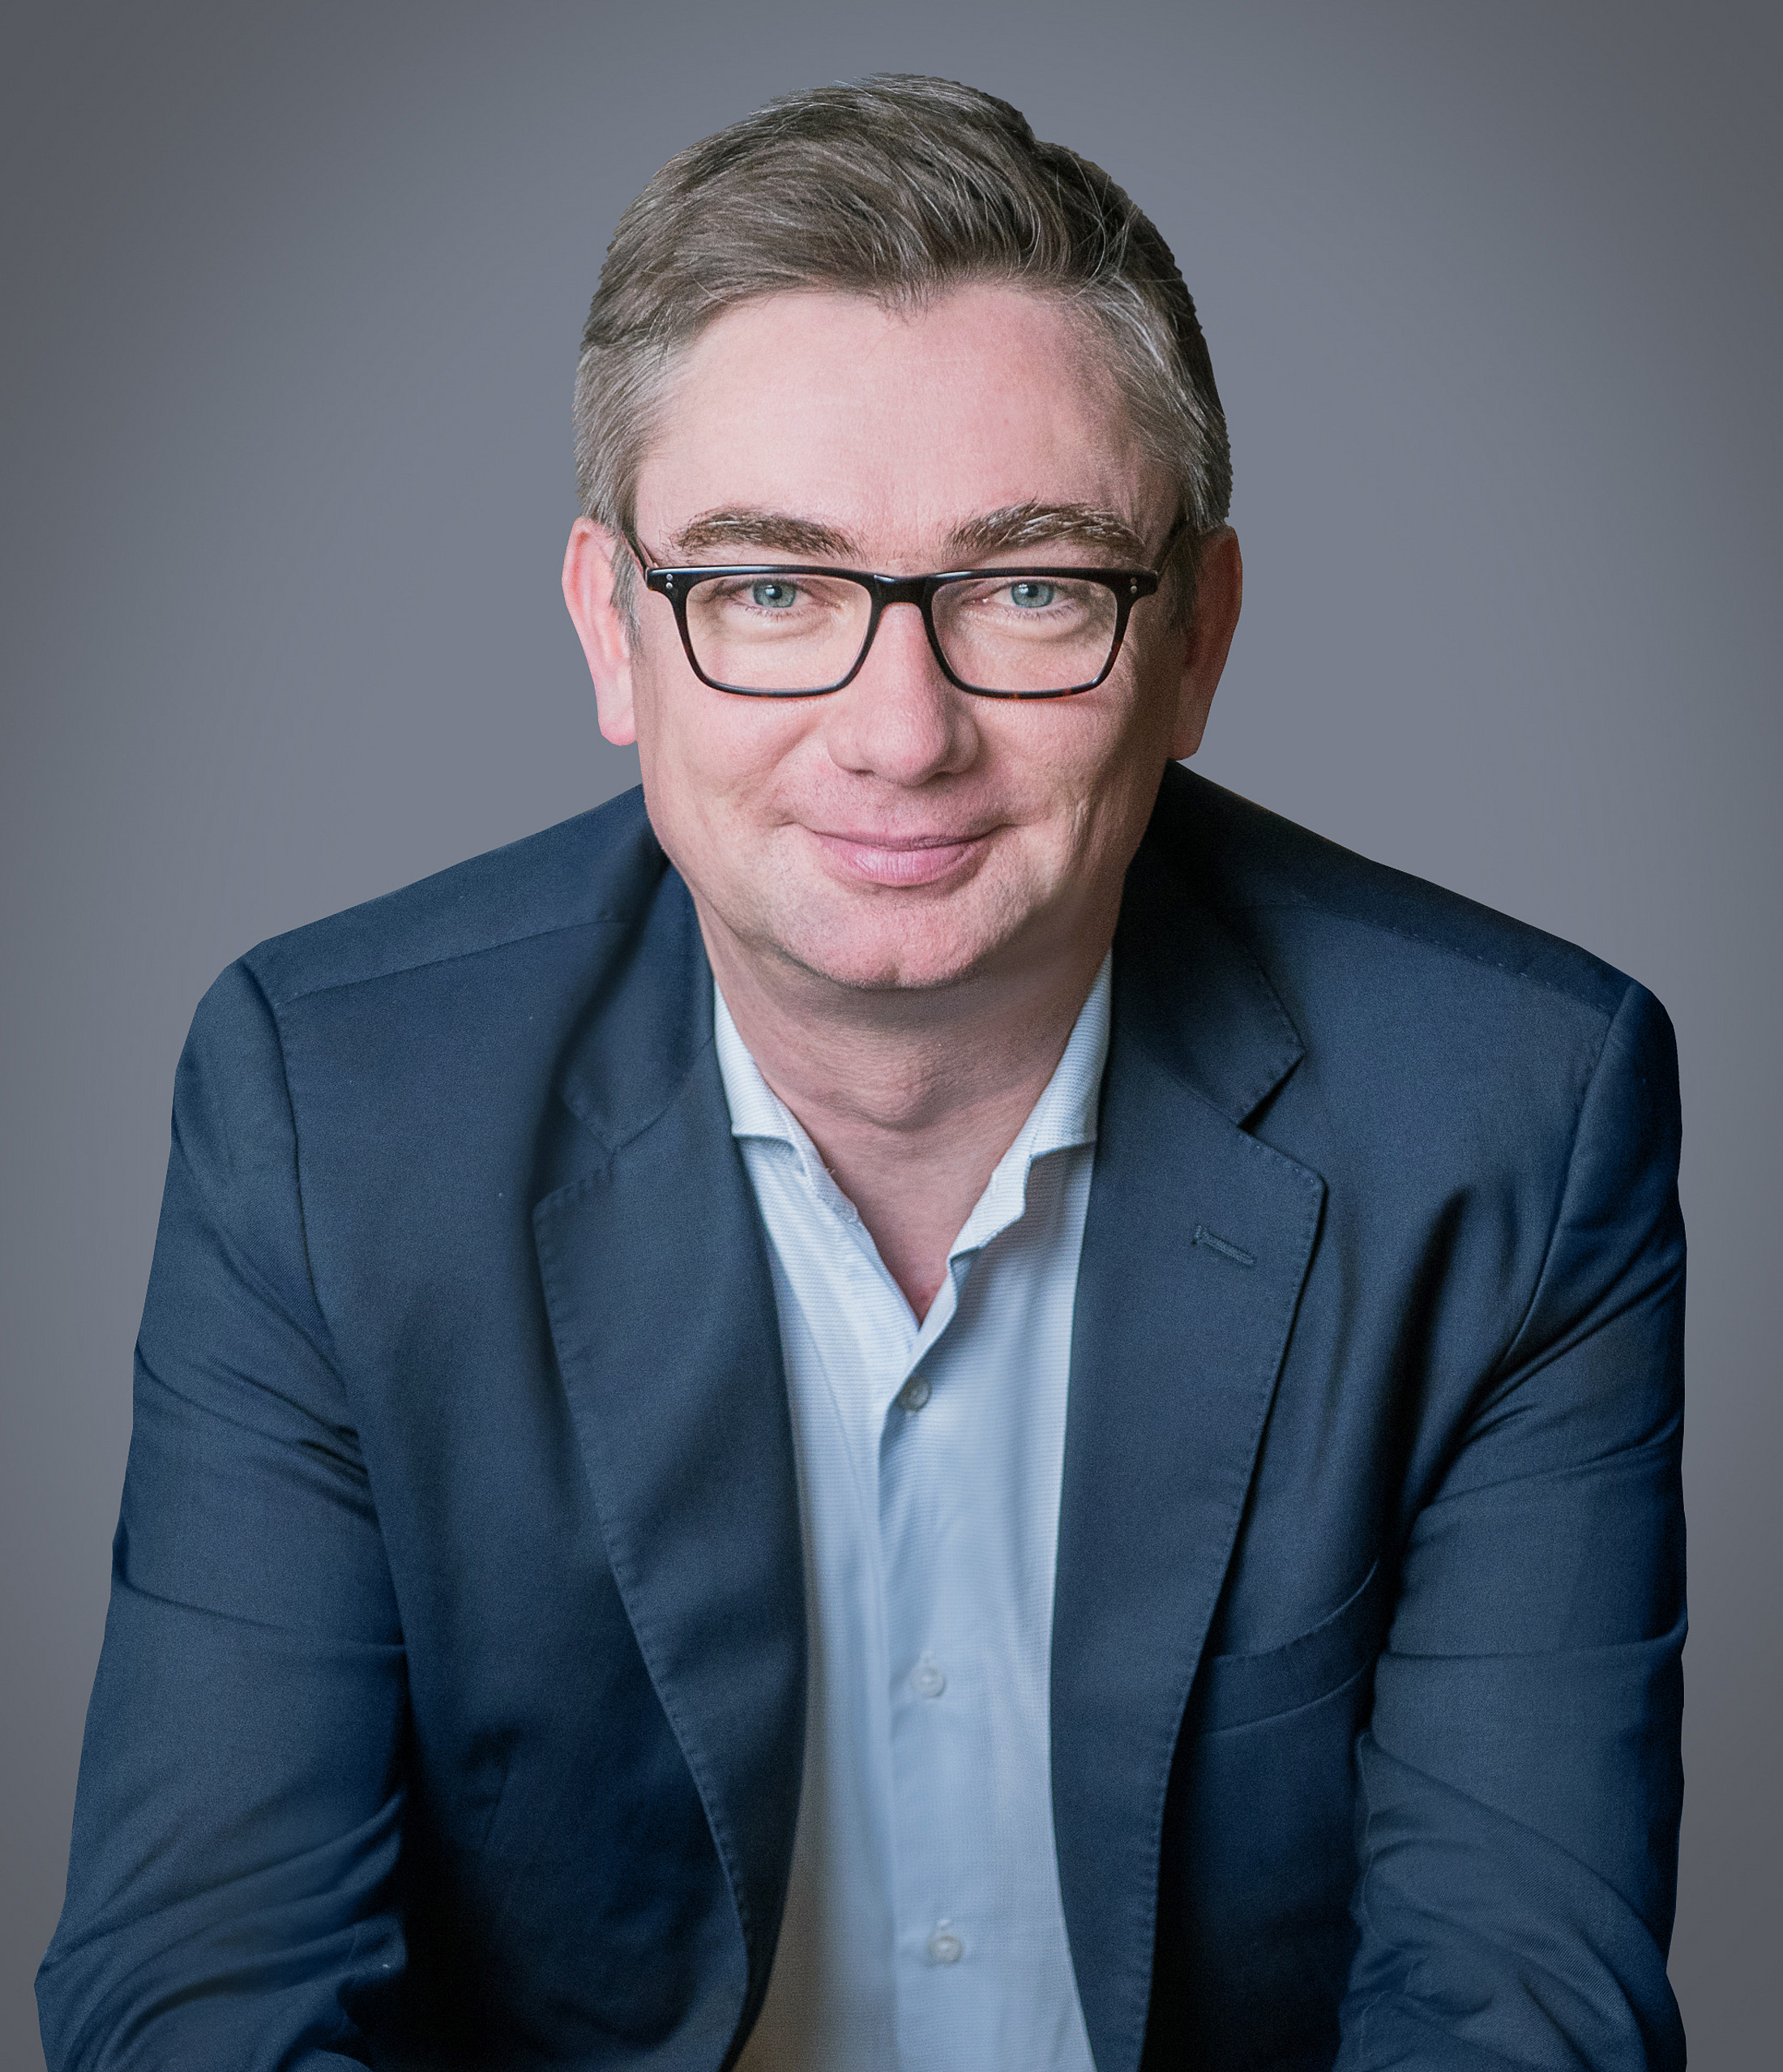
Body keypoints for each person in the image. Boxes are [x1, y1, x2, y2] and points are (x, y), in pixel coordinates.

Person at [36, 75, 1686, 2072]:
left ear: (1193, 641)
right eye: (769, 588)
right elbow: (202, 1990)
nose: (900, 734)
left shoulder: (1509, 1119)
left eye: (1030, 585)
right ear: (613, 634)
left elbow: (1512, 2010)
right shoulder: (333, 1111)